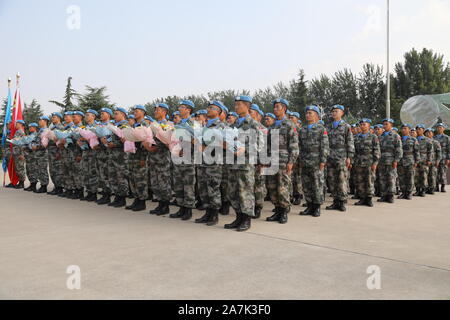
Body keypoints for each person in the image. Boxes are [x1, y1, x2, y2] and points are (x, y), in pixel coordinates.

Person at [224, 95, 264, 232]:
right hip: (232, 163)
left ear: (247, 106)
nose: (236, 107)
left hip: (245, 164)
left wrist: (245, 149)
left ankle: (246, 219)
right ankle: (238, 217)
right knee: (233, 192)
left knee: (245, 192)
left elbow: (259, 144)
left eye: (239, 104)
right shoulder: (232, 125)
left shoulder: (253, 124)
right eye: (235, 104)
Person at [265, 98, 299, 224]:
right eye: (274, 107)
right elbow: (268, 145)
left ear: (284, 109)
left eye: (278, 107)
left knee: (283, 187)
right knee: (272, 187)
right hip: (272, 160)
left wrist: (291, 162)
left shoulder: (290, 125)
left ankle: (284, 211)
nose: (275, 109)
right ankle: (277, 210)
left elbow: (294, 146)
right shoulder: (272, 126)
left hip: (284, 161)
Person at [195, 101, 227, 226]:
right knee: (203, 188)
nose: (208, 109)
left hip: (214, 161)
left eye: (212, 108)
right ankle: (207, 212)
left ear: (219, 112)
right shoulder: (204, 126)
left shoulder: (221, 126)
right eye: (208, 107)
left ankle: (214, 214)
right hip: (202, 161)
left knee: (213, 188)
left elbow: (223, 144)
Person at [298, 106, 329, 217]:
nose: (307, 115)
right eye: (306, 113)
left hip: (316, 161)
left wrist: (323, 161)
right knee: (306, 185)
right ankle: (309, 205)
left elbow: (325, 146)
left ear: (316, 115)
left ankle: (317, 207)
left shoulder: (321, 129)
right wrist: (300, 159)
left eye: (310, 113)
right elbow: (299, 146)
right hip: (305, 160)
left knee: (317, 184)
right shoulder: (302, 129)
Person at [170, 100, 197, 220]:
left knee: (188, 184)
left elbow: (197, 142)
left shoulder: (193, 124)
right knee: (178, 184)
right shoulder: (177, 124)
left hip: (188, 158)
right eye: (179, 106)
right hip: (177, 157)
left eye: (182, 107)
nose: (180, 108)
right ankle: (181, 207)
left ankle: (188, 210)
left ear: (188, 110)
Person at [145, 103, 173, 216]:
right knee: (155, 182)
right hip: (152, 157)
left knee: (163, 182)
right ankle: (160, 204)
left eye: (158, 110)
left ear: (164, 112)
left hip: (162, 158)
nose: (156, 112)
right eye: (155, 110)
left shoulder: (168, 124)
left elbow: (169, 140)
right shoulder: (152, 125)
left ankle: (165, 206)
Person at [325, 105, 354, 212]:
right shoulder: (328, 127)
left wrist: (349, 157)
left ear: (342, 113)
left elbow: (350, 142)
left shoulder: (346, 126)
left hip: (341, 157)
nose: (334, 113)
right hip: (330, 156)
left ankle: (342, 202)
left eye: (336, 111)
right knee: (332, 180)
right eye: (332, 111)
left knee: (341, 180)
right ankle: (335, 201)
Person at [126, 105, 148, 212]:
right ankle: (136, 199)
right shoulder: (134, 125)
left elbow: (146, 141)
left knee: (140, 179)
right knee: (133, 178)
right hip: (132, 155)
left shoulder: (145, 124)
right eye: (134, 111)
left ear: (143, 112)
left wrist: (143, 157)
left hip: (140, 155)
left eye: (137, 111)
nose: (135, 112)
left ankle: (142, 201)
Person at [353, 119, 380, 207]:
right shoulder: (356, 137)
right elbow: (354, 151)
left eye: (364, 124)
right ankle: (362, 198)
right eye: (361, 124)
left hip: (369, 161)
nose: (362, 126)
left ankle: (369, 199)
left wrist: (375, 163)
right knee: (359, 180)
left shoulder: (373, 136)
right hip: (359, 162)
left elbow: (376, 150)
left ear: (368, 126)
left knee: (369, 180)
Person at [107, 107, 130, 208]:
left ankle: (122, 198)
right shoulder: (114, 126)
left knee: (121, 177)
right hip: (112, 155)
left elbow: (127, 141)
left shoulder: (126, 126)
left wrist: (115, 144)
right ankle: (117, 196)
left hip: (121, 156)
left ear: (123, 115)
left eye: (116, 114)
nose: (114, 116)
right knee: (113, 177)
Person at [377, 118, 403, 204]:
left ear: (391, 125)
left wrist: (396, 160)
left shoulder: (395, 136)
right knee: (382, 178)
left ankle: (390, 196)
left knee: (391, 178)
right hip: (381, 161)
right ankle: (384, 195)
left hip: (391, 160)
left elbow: (399, 149)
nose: (384, 126)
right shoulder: (381, 136)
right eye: (384, 124)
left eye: (386, 124)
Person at [80, 109, 99, 202]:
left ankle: (94, 193)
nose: (86, 117)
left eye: (88, 115)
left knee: (93, 172)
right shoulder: (84, 127)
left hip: (93, 153)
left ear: (93, 116)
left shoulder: (97, 126)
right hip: (85, 152)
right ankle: (89, 192)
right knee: (85, 172)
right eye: (86, 115)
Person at [397, 124, 420, 200]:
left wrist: (416, 161)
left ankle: (409, 193)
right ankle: (403, 193)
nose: (403, 130)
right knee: (401, 178)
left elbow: (416, 151)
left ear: (409, 130)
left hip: (410, 161)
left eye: (405, 128)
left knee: (410, 178)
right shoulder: (398, 139)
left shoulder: (413, 140)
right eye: (402, 128)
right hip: (400, 161)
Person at [415, 124, 433, 197]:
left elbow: (430, 151)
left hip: (424, 160)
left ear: (423, 130)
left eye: (420, 129)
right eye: (417, 129)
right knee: (416, 176)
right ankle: (417, 190)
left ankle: (423, 190)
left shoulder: (427, 140)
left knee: (423, 176)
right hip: (415, 160)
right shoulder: (414, 139)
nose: (418, 130)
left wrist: (429, 160)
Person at [424, 128, 441, 195]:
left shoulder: (436, 142)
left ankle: (432, 188)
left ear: (432, 134)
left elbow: (439, 153)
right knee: (426, 175)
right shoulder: (424, 141)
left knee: (432, 175)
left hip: (433, 161)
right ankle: (427, 187)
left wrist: (437, 161)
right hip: (426, 160)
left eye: (429, 133)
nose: (428, 134)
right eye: (427, 133)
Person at [434, 123, 450, 192]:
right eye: (438, 127)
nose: (439, 128)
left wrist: (448, 158)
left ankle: (443, 186)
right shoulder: (434, 138)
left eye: (441, 127)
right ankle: (436, 186)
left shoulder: (447, 138)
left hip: (444, 157)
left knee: (443, 172)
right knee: (435, 172)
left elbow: (449, 148)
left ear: (443, 129)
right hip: (435, 158)